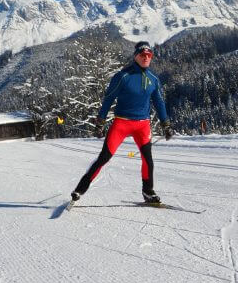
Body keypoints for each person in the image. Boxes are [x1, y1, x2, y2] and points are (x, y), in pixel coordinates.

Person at [71, 41, 174, 204]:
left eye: (149, 55)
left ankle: (148, 192)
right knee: (104, 157)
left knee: (148, 159)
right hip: (122, 123)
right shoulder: (122, 76)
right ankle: (80, 189)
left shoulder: (153, 79)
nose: (146, 58)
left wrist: (166, 124)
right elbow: (108, 99)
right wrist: (100, 122)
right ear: (136, 56)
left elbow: (159, 102)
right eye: (143, 55)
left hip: (143, 125)